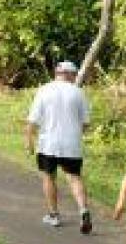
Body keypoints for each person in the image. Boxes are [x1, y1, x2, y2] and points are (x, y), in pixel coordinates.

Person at [26, 60, 92, 233]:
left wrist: (29, 141)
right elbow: (85, 124)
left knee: (49, 176)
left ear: (57, 73)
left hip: (48, 143)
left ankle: (54, 215)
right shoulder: (78, 93)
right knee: (74, 177)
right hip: (71, 144)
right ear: (70, 75)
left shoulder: (44, 90)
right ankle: (83, 210)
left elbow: (32, 119)